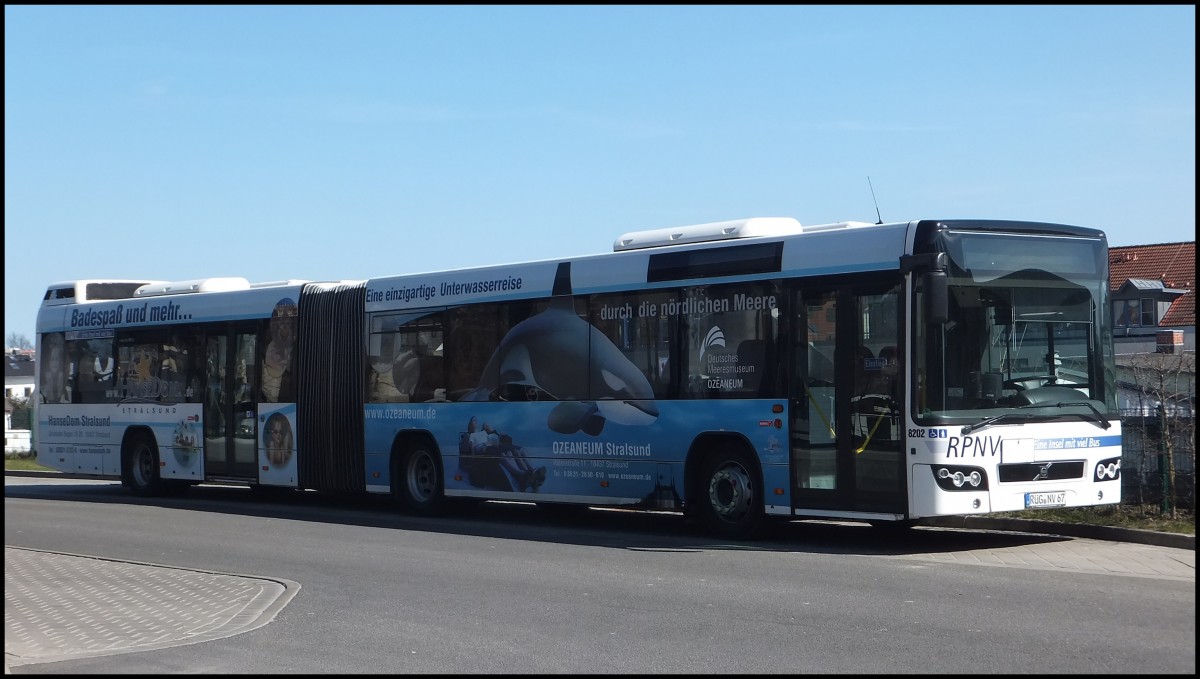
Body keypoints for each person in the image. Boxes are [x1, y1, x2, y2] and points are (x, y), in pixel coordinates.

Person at [262, 299, 297, 402]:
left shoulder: (297, 346)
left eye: (288, 319)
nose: (284, 323)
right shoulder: (268, 345)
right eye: (281, 318)